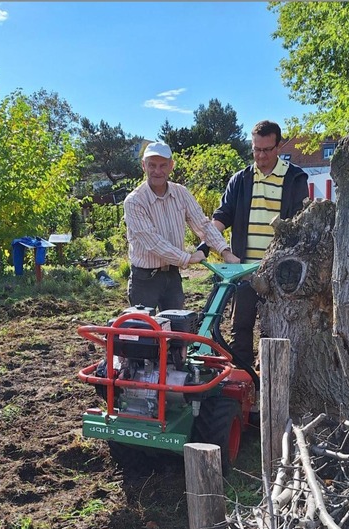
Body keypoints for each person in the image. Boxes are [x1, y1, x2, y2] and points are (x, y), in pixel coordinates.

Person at [211, 120, 309, 368]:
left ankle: (271, 377)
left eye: (266, 149)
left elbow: (300, 223)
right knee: (240, 326)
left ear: (278, 146)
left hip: (279, 273)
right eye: (256, 149)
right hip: (245, 269)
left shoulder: (295, 178)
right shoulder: (241, 180)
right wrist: (208, 241)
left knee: (274, 328)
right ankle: (245, 377)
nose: (261, 155)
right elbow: (223, 215)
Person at [124, 141, 239, 312]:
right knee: (145, 333)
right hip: (145, 279)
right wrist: (188, 258)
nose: (157, 171)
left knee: (177, 329)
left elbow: (203, 224)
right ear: (143, 166)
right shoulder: (135, 201)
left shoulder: (181, 193)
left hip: (172, 275)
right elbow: (154, 242)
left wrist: (225, 251)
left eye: (163, 165)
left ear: (171, 166)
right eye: (152, 165)